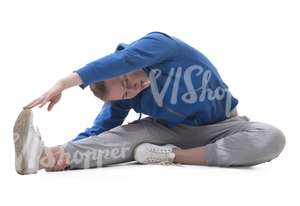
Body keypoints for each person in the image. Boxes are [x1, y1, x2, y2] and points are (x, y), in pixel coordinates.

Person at [13, 31, 286, 175]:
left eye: (124, 81)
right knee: (124, 136)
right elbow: (103, 128)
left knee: (272, 137)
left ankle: (172, 156)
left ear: (125, 64)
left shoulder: (160, 46)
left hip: (223, 127)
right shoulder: (127, 96)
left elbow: (124, 59)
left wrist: (65, 82)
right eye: (123, 95)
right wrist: (70, 154)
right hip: (169, 131)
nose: (130, 90)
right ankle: (42, 156)